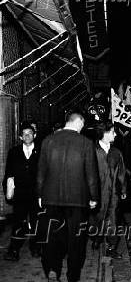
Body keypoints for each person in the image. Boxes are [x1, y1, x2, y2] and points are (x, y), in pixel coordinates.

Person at [36, 111, 99, 281]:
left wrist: (40, 194)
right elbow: (91, 175)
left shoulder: (48, 141)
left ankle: (52, 269)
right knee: (76, 241)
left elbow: (41, 172)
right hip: (77, 200)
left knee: (52, 238)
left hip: (51, 199)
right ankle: (73, 275)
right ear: (79, 122)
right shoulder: (86, 143)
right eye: (83, 124)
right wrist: (94, 197)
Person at [2, 122, 41, 261]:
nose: (27, 136)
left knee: (37, 221)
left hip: (37, 194)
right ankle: (14, 250)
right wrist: (8, 193)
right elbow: (8, 174)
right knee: (18, 222)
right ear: (20, 137)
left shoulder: (41, 151)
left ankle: (36, 247)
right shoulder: (14, 152)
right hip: (20, 194)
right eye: (24, 134)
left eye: (30, 133)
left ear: (34, 135)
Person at [91, 121, 127, 259]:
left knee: (113, 219)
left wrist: (123, 190)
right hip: (97, 194)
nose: (115, 134)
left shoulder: (116, 152)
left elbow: (122, 173)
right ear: (105, 133)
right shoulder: (92, 151)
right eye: (113, 132)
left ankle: (112, 247)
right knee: (96, 218)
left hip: (113, 194)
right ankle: (96, 237)